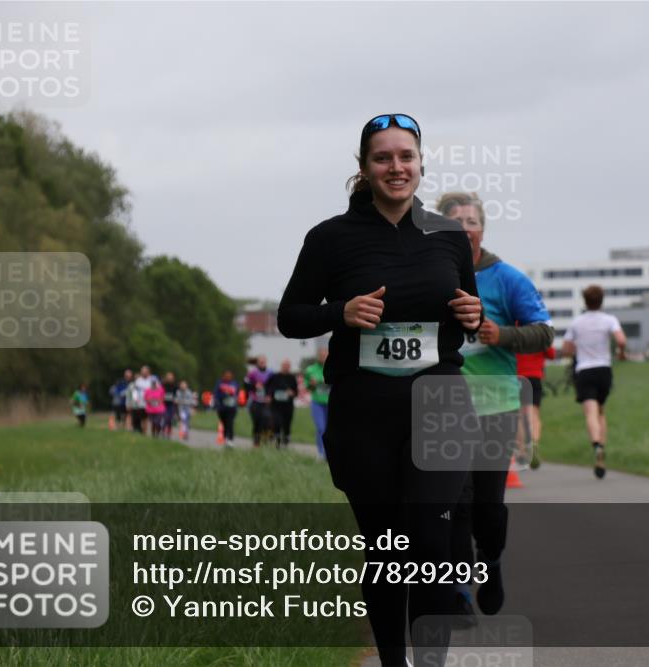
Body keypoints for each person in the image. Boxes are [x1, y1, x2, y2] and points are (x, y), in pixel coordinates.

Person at [277, 114, 482, 667]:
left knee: (432, 541)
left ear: (421, 163)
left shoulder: (449, 235)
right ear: (364, 168)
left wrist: (472, 311)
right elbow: (290, 318)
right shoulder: (330, 239)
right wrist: (339, 313)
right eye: (383, 158)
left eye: (406, 156)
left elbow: (465, 310)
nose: (397, 167)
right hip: (363, 410)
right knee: (388, 546)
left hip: (439, 402)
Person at [437, 191, 553, 624]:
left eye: (472, 221)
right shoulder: (430, 275)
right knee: (455, 502)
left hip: (496, 405)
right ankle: (458, 591)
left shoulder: (507, 279)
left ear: (483, 229)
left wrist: (501, 335)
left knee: (487, 505)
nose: (465, 228)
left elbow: (545, 333)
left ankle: (492, 560)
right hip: (443, 406)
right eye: (456, 221)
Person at [562, 285, 627, 479]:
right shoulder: (609, 320)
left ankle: (596, 444)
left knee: (590, 411)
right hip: (604, 369)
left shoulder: (577, 322)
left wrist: (578, 349)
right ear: (601, 300)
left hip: (584, 370)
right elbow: (621, 340)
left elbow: (566, 349)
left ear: (585, 301)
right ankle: (602, 448)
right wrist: (620, 353)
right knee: (601, 410)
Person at [515, 346, 556, 469]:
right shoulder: (539, 334)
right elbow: (552, 354)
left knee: (519, 416)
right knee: (533, 414)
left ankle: (522, 451)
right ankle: (533, 443)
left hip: (517, 377)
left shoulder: (513, 331)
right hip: (535, 377)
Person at [303, 347, 331, 459]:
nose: (323, 357)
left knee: (329, 429)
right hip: (317, 403)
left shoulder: (333, 368)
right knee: (321, 428)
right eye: (321, 355)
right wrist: (312, 384)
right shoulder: (310, 370)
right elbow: (307, 387)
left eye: (325, 355)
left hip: (331, 403)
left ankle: (329, 453)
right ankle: (321, 453)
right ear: (318, 356)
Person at [244, 356, 275, 447]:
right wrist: (254, 387)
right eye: (260, 362)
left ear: (266, 362)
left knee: (268, 420)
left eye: (264, 362)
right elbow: (246, 384)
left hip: (266, 401)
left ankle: (267, 439)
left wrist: (270, 396)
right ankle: (256, 442)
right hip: (255, 400)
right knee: (257, 422)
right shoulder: (252, 373)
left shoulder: (270, 373)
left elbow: (273, 386)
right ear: (257, 363)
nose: (262, 363)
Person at [269, 359, 298, 448]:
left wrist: (292, 393)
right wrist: (274, 393)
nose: (285, 367)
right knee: (277, 422)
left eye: (287, 366)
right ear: (281, 366)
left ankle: (285, 442)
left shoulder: (292, 378)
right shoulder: (274, 377)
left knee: (287, 424)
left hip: (288, 406)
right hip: (276, 405)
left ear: (289, 367)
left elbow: (296, 392)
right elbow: (269, 388)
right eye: (284, 365)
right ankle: (277, 442)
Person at [213, 370, 240, 447]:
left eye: (229, 376)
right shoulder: (219, 383)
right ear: (223, 376)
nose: (228, 377)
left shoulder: (235, 383)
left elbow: (237, 394)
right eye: (226, 376)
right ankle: (225, 438)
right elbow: (216, 394)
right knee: (224, 424)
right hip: (222, 408)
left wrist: (233, 396)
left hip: (232, 408)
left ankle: (230, 439)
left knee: (230, 423)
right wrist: (224, 395)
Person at [161, 371, 178, 439]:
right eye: (168, 377)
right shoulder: (163, 385)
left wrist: (175, 399)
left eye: (171, 377)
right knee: (165, 418)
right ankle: (163, 431)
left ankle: (169, 432)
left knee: (170, 419)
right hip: (164, 404)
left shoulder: (175, 386)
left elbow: (177, 395)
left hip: (171, 404)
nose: (169, 378)